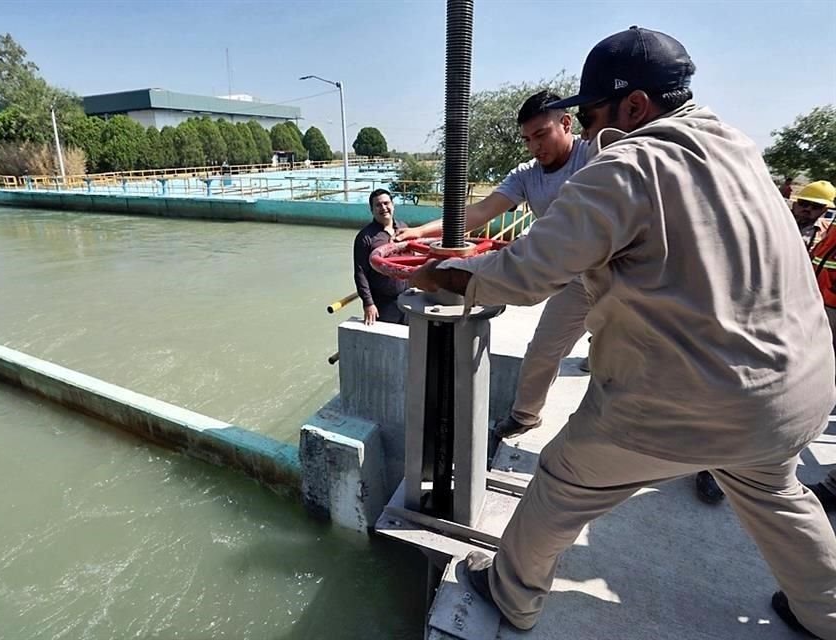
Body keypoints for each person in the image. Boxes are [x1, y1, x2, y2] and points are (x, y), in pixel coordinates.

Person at [410, 26, 836, 638]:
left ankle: (511, 594)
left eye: (590, 117)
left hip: (691, 402)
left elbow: (526, 273)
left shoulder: (628, 165)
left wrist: (444, 276)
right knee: (774, 490)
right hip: (796, 393)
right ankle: (826, 612)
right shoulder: (739, 147)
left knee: (561, 481)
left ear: (635, 107)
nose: (587, 133)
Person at [397, 90, 591, 449]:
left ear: (567, 123)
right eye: (527, 139)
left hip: (616, 270)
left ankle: (717, 459)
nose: (534, 146)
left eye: (541, 135)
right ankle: (525, 415)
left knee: (656, 360)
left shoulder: (595, 155)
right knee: (544, 350)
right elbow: (477, 214)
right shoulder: (527, 176)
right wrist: (421, 232)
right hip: (573, 279)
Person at [797, 180, 836, 514]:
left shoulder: (823, 230)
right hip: (810, 308)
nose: (806, 210)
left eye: (814, 206)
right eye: (803, 203)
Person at [353, 189, 408, 325]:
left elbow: (412, 260)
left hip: (408, 296)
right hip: (383, 303)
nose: (383, 208)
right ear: (372, 210)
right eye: (378, 205)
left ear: (393, 205)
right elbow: (360, 273)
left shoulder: (403, 228)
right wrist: (368, 303)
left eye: (386, 203)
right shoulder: (365, 237)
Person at [793, 181, 836, 251]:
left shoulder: (827, 232)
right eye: (804, 203)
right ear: (794, 204)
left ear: (824, 210)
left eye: (816, 206)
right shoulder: (776, 222)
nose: (808, 209)